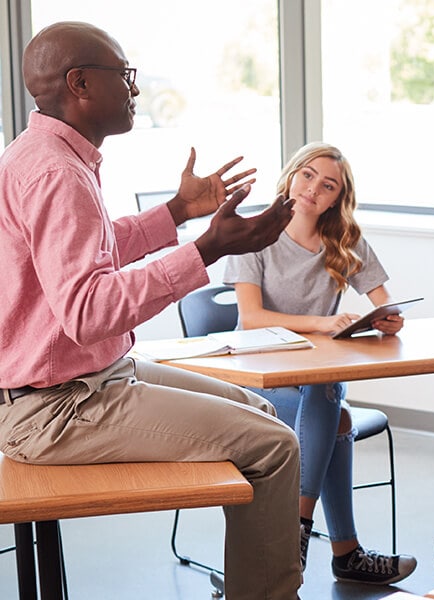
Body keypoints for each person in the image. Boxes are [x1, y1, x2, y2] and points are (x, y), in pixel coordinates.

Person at [0, 22, 302, 598]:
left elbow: (91, 247)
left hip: (88, 382)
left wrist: (180, 210)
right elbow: (87, 312)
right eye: (124, 75)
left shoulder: (49, 153)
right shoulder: (55, 171)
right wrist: (209, 247)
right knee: (274, 445)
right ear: (80, 83)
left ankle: (255, 579)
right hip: (55, 410)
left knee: (263, 412)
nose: (134, 88)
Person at [224, 142, 416, 585]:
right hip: (259, 376)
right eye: (307, 175)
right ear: (292, 175)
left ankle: (300, 531)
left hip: (314, 380)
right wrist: (324, 323)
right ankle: (341, 550)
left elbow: (386, 302)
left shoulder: (344, 238)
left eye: (327, 185)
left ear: (336, 198)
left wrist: (388, 320)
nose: (313, 189)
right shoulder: (254, 233)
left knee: (327, 395)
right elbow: (251, 319)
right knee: (337, 417)